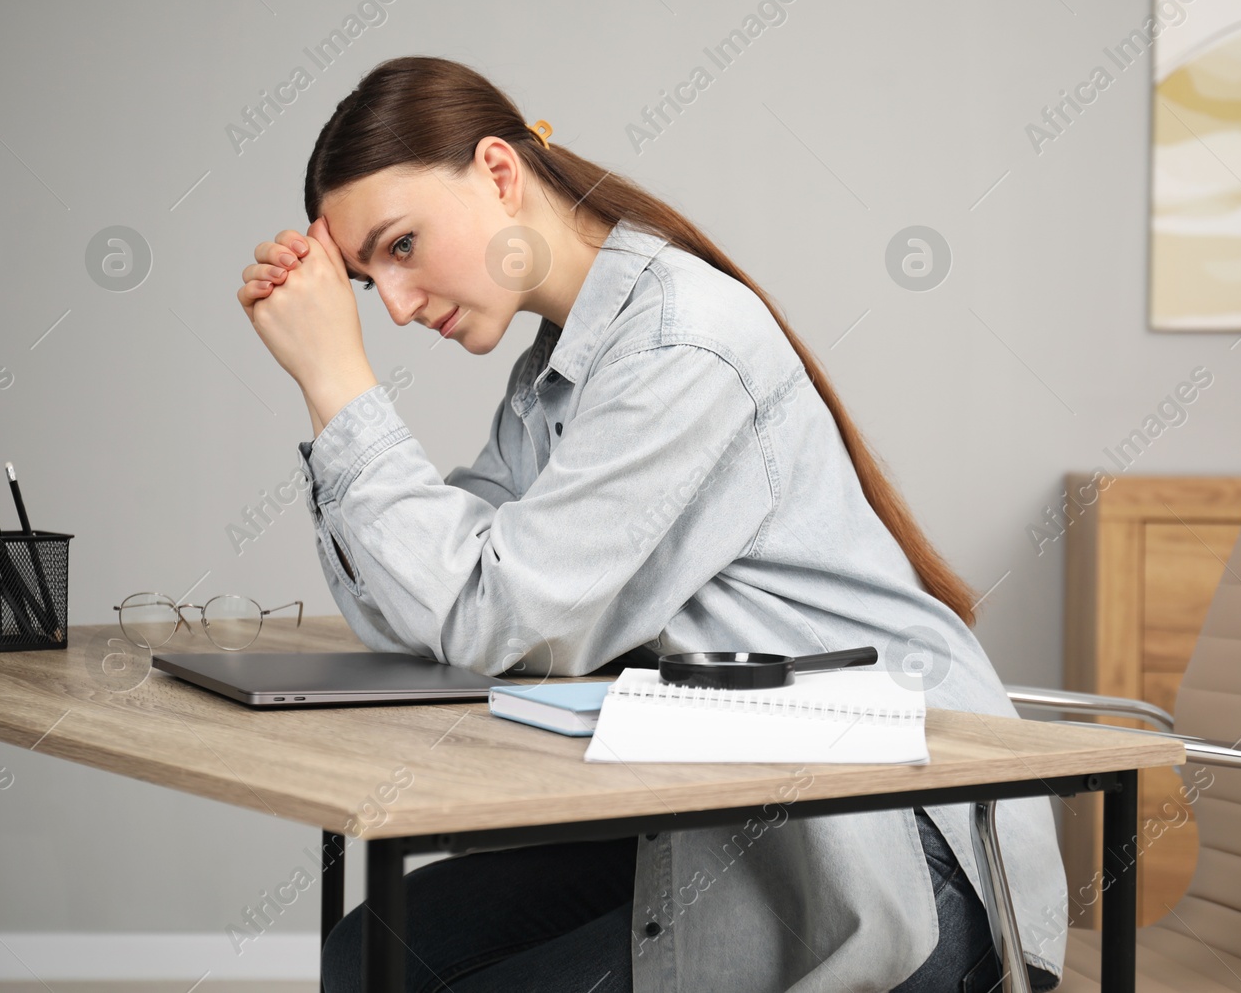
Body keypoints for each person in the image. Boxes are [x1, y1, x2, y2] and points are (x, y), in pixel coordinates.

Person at [236, 55, 1066, 993]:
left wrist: (342, 389)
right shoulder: (554, 371)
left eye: (400, 245)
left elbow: (491, 613)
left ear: (501, 173)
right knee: (367, 953)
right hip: (736, 810)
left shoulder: (681, 345)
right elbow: (428, 606)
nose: (391, 305)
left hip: (895, 846)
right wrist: (325, 400)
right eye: (362, 280)